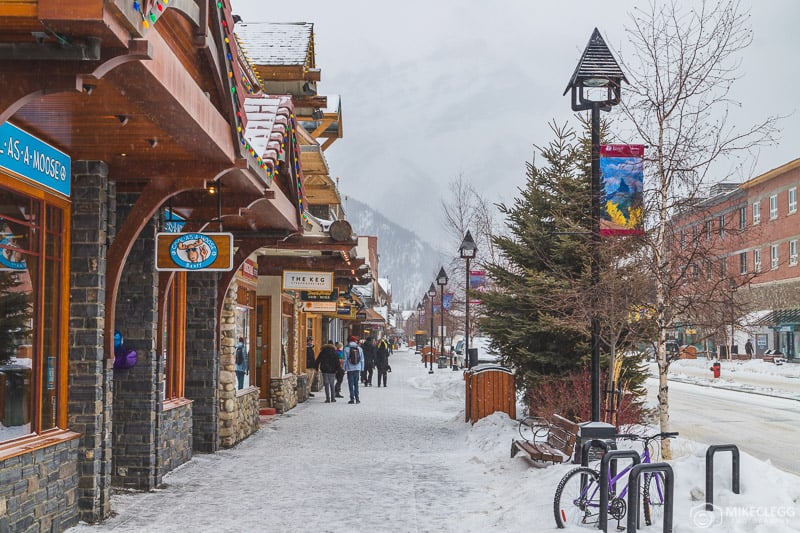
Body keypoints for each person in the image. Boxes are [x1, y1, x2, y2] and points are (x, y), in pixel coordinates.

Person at [343, 335, 364, 404]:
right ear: (355, 341)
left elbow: (344, 360)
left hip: (350, 369)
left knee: (350, 384)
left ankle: (352, 399)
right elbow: (362, 360)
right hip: (357, 368)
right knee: (356, 384)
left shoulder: (346, 349)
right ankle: (357, 398)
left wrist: (343, 367)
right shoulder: (359, 348)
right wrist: (362, 368)